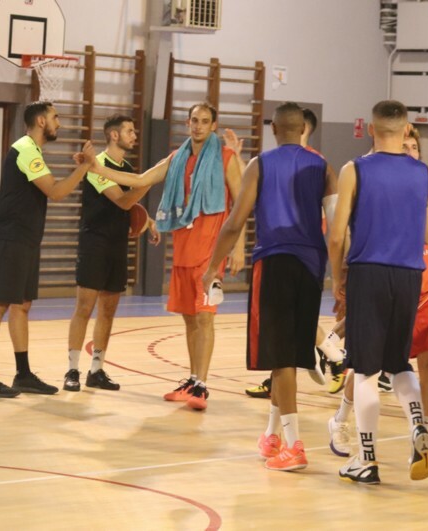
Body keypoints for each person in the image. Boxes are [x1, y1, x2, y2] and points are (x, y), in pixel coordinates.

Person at [327, 127, 428, 469]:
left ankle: (422, 440)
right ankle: (341, 419)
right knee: (368, 365)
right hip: (394, 284)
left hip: (425, 292)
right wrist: (344, 275)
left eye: (414, 146)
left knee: (427, 365)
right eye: (404, 145)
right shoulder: (379, 184)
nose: (409, 151)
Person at [203, 101, 338, 472]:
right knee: (291, 353)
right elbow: (336, 226)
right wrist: (341, 276)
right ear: (303, 129)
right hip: (312, 265)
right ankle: (272, 434)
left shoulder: (260, 164)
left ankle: (294, 446)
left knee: (281, 358)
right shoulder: (324, 167)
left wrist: (213, 266)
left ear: (274, 129)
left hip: (275, 261)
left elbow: (235, 222)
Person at [89, 102, 245, 411]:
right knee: (190, 319)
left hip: (211, 252)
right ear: (188, 123)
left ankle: (201, 386)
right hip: (184, 248)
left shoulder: (226, 158)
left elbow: (241, 205)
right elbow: (141, 179)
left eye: (204, 121)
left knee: (204, 317)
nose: (198, 125)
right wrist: (96, 167)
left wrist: (237, 247)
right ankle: (193, 379)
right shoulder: (177, 158)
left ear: (213, 125)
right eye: (194, 120)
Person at [329, 100, 428, 485]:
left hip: (368, 272)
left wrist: (336, 279)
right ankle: (418, 424)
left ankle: (367, 459)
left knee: (365, 370)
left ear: (371, 130)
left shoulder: (354, 169)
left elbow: (337, 235)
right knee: (399, 363)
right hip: (409, 275)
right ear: (407, 130)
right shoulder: (423, 173)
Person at [0, 101, 94, 398]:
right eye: (55, 117)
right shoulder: (25, 149)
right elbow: (56, 191)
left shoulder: (33, 151)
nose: (59, 123)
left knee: (22, 305)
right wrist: (85, 166)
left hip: (26, 239)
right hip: (12, 237)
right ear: (41, 121)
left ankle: (23, 374)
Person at [63, 115, 161, 392]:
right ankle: (72, 370)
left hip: (118, 246)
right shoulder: (95, 165)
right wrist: (150, 180)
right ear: (114, 135)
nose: (135, 135)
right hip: (94, 243)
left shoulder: (126, 168)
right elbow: (122, 201)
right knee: (84, 308)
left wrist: (148, 222)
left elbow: (132, 209)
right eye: (130, 131)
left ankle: (96, 370)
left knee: (108, 310)